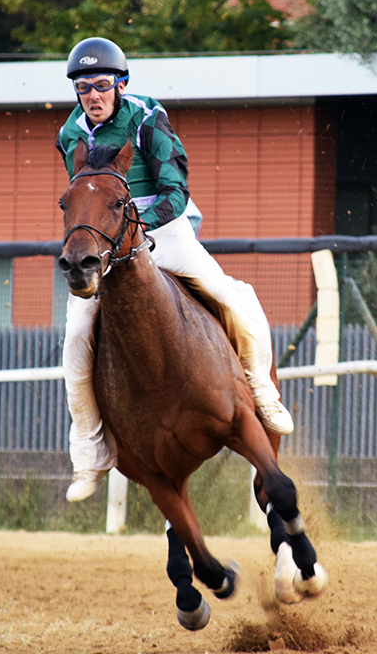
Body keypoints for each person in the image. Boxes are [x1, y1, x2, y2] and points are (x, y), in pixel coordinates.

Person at [55, 36, 294, 503]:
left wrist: (141, 230)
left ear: (121, 84)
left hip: (163, 230)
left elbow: (175, 189)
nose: (93, 95)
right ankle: (88, 452)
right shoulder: (69, 135)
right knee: (76, 333)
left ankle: (262, 392)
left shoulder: (147, 117)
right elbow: (83, 195)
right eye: (83, 88)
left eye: (102, 84)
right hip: (110, 243)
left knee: (229, 295)